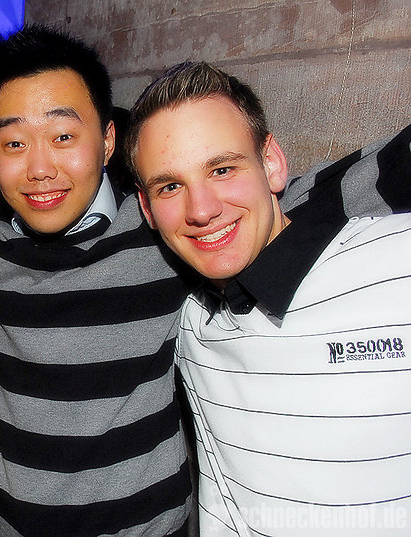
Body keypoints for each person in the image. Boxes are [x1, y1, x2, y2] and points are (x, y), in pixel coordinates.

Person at [126, 61, 411, 536]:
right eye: (170, 186)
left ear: (272, 163)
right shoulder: (189, 321)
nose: (202, 210)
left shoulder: (397, 261)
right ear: (147, 209)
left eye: (222, 169)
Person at [0, 24, 193, 537]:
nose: (40, 168)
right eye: (14, 143)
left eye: (63, 137)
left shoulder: (164, 233)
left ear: (108, 141)